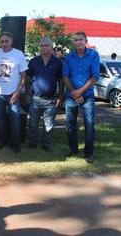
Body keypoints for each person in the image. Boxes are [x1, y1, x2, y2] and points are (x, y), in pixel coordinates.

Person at [63, 31, 100, 164]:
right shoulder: (68, 56)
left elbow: (95, 76)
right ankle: (73, 150)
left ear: (86, 41)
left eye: (80, 40)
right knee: (70, 124)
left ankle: (88, 153)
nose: (78, 42)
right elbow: (65, 76)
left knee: (89, 124)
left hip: (88, 95)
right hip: (71, 95)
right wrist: (75, 92)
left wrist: (80, 92)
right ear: (73, 42)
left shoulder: (94, 55)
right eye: (75, 40)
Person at [0, 31, 28, 153]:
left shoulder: (18, 54)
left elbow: (23, 75)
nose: (4, 43)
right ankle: (3, 140)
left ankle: (15, 143)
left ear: (11, 41)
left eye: (6, 41)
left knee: (15, 118)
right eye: (2, 41)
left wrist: (18, 91)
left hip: (13, 93)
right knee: (0, 118)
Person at [26, 37, 64, 152]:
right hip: (36, 98)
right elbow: (28, 78)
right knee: (33, 123)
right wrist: (27, 94)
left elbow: (61, 80)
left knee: (49, 125)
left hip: (51, 100)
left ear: (51, 47)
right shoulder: (33, 61)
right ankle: (33, 142)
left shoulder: (58, 62)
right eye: (42, 45)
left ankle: (46, 144)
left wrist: (60, 96)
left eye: (46, 45)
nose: (44, 48)